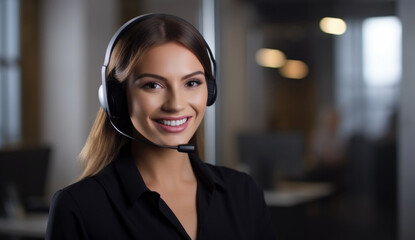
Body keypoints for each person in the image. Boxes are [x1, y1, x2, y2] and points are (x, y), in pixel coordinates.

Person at [46, 13, 275, 240]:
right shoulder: (79, 208)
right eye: (153, 85)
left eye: (192, 83)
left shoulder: (243, 193)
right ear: (116, 97)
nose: (175, 104)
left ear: (210, 91)